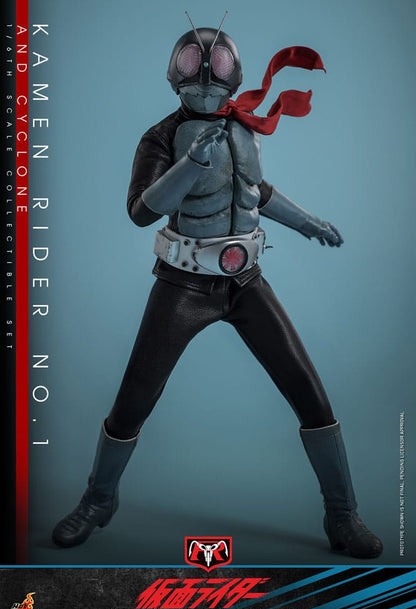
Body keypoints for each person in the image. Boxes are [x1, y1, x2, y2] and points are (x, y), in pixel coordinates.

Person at [52, 21, 382, 558]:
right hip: (183, 285)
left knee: (309, 391)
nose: (206, 76)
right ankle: (98, 499)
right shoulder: (161, 137)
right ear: (174, 73)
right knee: (133, 400)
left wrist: (309, 222)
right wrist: (188, 167)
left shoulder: (242, 127)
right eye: (194, 66)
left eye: (216, 67)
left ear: (234, 74)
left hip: (246, 282)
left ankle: (342, 515)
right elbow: (140, 211)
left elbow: (255, 191)